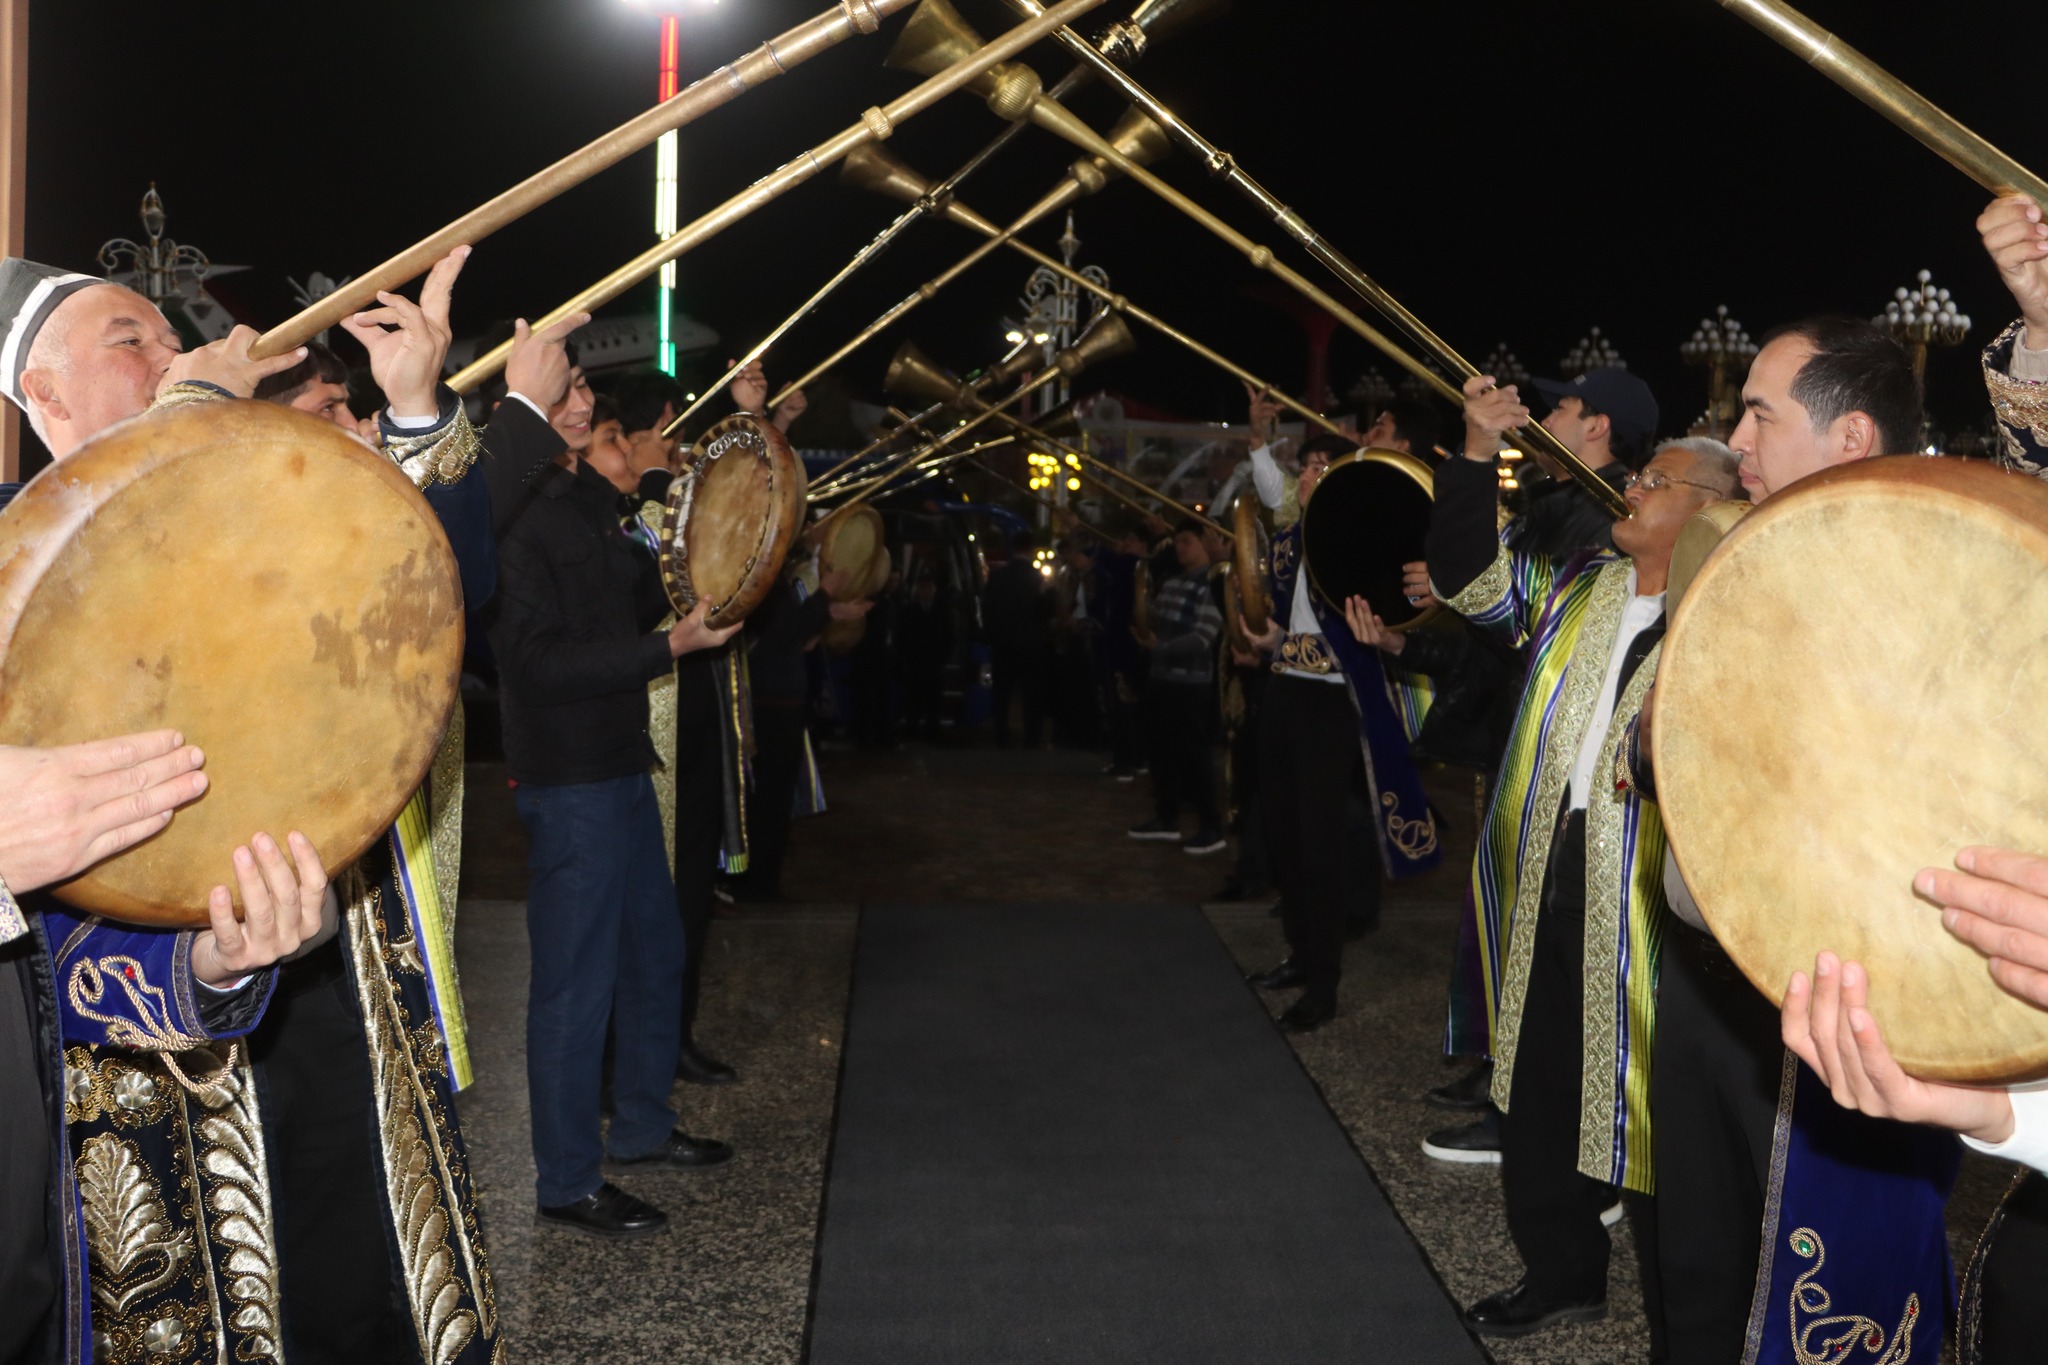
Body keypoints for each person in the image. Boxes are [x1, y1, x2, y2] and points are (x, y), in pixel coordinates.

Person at [1, 256, 387, 1364]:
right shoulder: (10, 570)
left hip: (241, 1063)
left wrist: (215, 962)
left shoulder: (247, 529)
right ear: (45, 390)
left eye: (174, 344)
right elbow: (49, 936)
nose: (173, 359)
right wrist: (191, 414)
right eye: (132, 341)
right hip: (66, 1129)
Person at [1638, 317, 1956, 1365]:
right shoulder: (1733, 552)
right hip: (1701, 973)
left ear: (1849, 436)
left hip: (1840, 1004)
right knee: (1693, 1264)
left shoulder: (1943, 577)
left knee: (1826, 1294)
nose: (1735, 440)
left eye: (1759, 416)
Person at [1407, 357, 1739, 1339]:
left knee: (1647, 1106)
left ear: (1711, 512)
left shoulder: (1723, 620)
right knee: (1538, 1079)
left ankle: (1686, 1317)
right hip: (1544, 868)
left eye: (1658, 480)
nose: (1633, 485)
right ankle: (1560, 1272)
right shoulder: (1577, 586)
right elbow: (1469, 580)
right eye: (1641, 473)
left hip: (1646, 897)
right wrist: (1476, 453)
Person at [485, 304, 743, 1240]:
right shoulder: (514, 519)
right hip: (569, 781)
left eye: (587, 388)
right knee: (574, 984)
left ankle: (639, 1125)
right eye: (568, 388)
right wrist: (667, 647)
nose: (583, 401)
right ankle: (566, 1179)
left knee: (654, 950)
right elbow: (534, 666)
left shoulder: (591, 505)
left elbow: (644, 594)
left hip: (622, 765)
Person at [1237, 386, 1441, 1034]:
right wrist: (1269, 639)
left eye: (1321, 470)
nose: (1309, 478)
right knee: (1283, 832)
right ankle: (1300, 954)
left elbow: (1370, 626)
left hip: (1331, 700)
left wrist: (1286, 644)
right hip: (1285, 692)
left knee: (1320, 841)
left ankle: (1322, 984)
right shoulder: (1297, 536)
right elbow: (1275, 518)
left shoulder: (1365, 533)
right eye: (1308, 469)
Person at [1126, 520, 1225, 855]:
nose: (1179, 548)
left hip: (1191, 683)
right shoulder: (1171, 583)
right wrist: (1142, 627)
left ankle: (1211, 826)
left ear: (1203, 543)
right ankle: (1166, 818)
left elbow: (1204, 636)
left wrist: (1160, 646)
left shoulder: (1211, 583)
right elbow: (1153, 618)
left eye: (1186, 541)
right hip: (1161, 678)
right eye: (1177, 542)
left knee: (1195, 756)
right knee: (1161, 752)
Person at [981, 530, 1052, 749]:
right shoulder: (1037, 578)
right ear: (1031, 549)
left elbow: (987, 608)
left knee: (1002, 692)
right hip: (1032, 644)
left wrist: (992, 635)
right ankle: (1032, 737)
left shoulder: (998, 577)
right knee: (1032, 693)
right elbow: (1045, 611)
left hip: (1003, 643)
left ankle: (1002, 735)